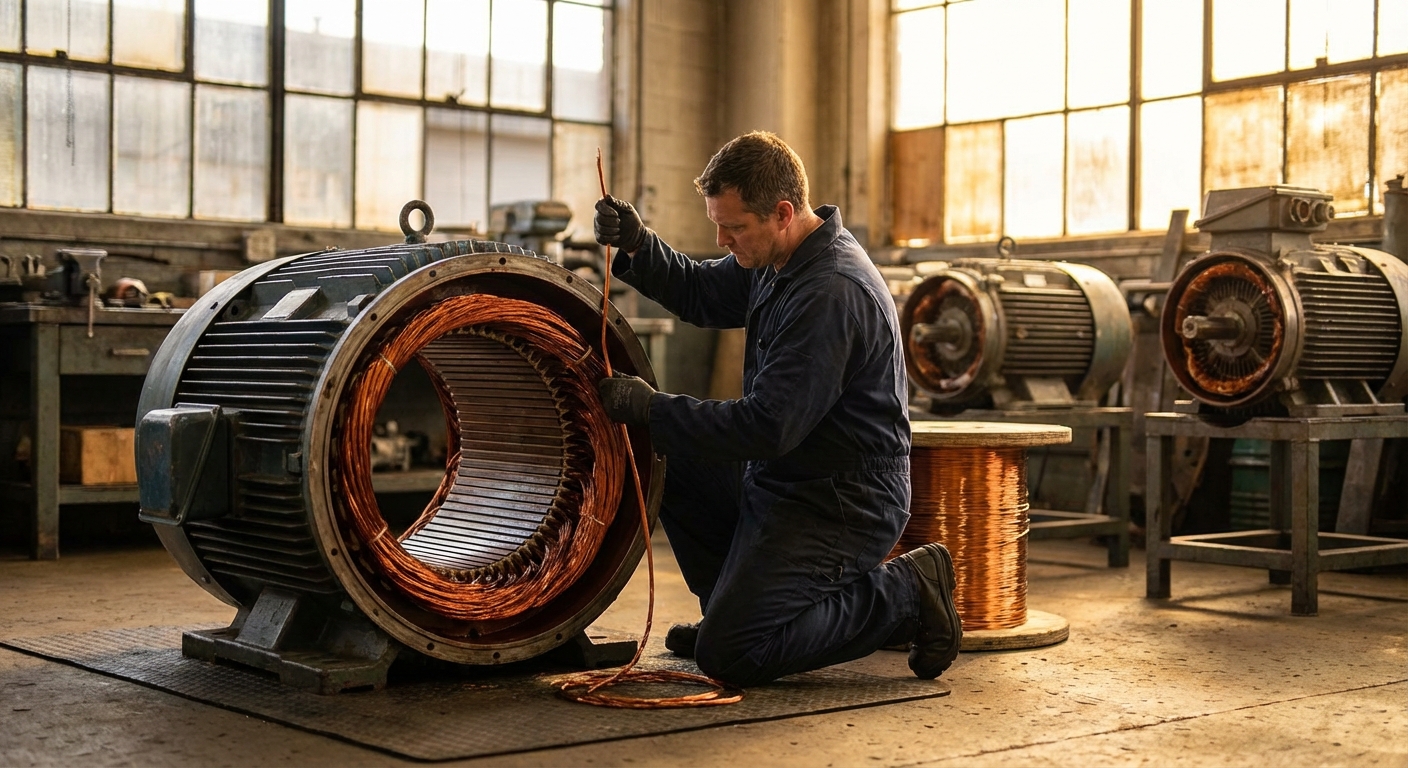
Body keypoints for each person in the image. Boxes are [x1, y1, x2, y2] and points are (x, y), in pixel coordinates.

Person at [593, 131, 960, 687]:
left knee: (732, 656)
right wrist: (642, 244)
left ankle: (908, 590)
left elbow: (768, 426)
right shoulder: (777, 256)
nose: (721, 240)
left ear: (783, 212)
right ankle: (732, 613)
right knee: (673, 458)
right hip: (784, 479)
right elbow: (701, 292)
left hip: (840, 500)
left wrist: (655, 409)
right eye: (719, 224)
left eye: (734, 227)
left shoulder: (830, 292)